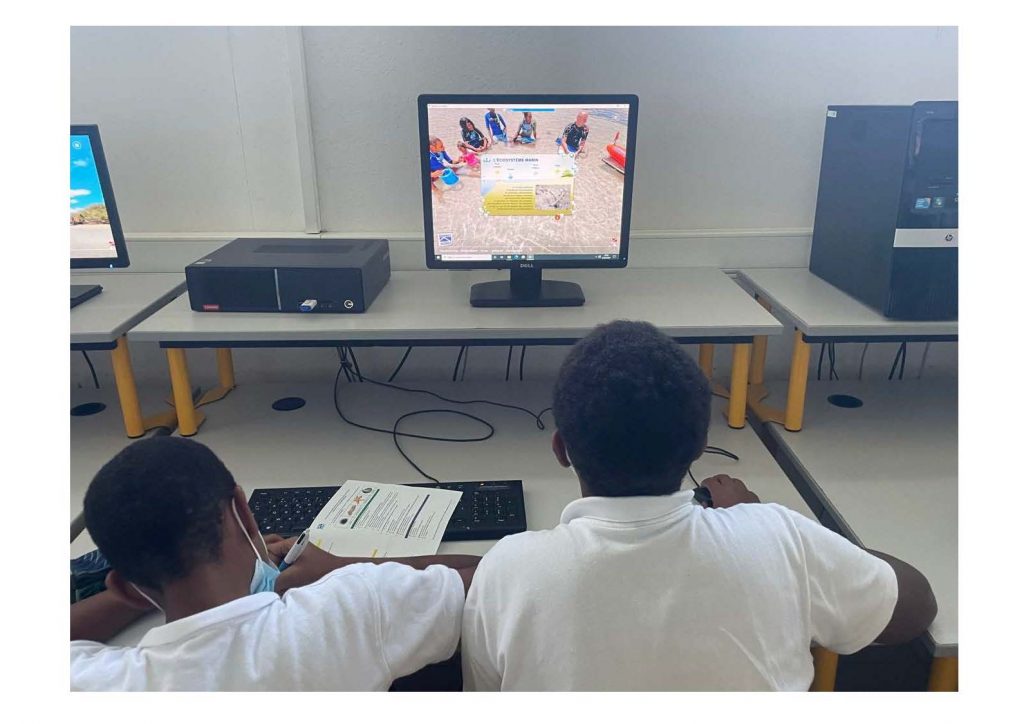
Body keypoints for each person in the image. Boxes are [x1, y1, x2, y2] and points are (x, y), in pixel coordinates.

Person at [461, 320, 937, 691]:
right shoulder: (776, 535)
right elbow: (915, 606)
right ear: (699, 446)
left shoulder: (507, 569)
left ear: (561, 449)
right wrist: (769, 523)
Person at [71, 437, 479, 691]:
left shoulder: (94, 684)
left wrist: (146, 580)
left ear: (122, 587)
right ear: (244, 513)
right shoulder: (349, 610)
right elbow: (495, 577)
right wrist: (338, 566)